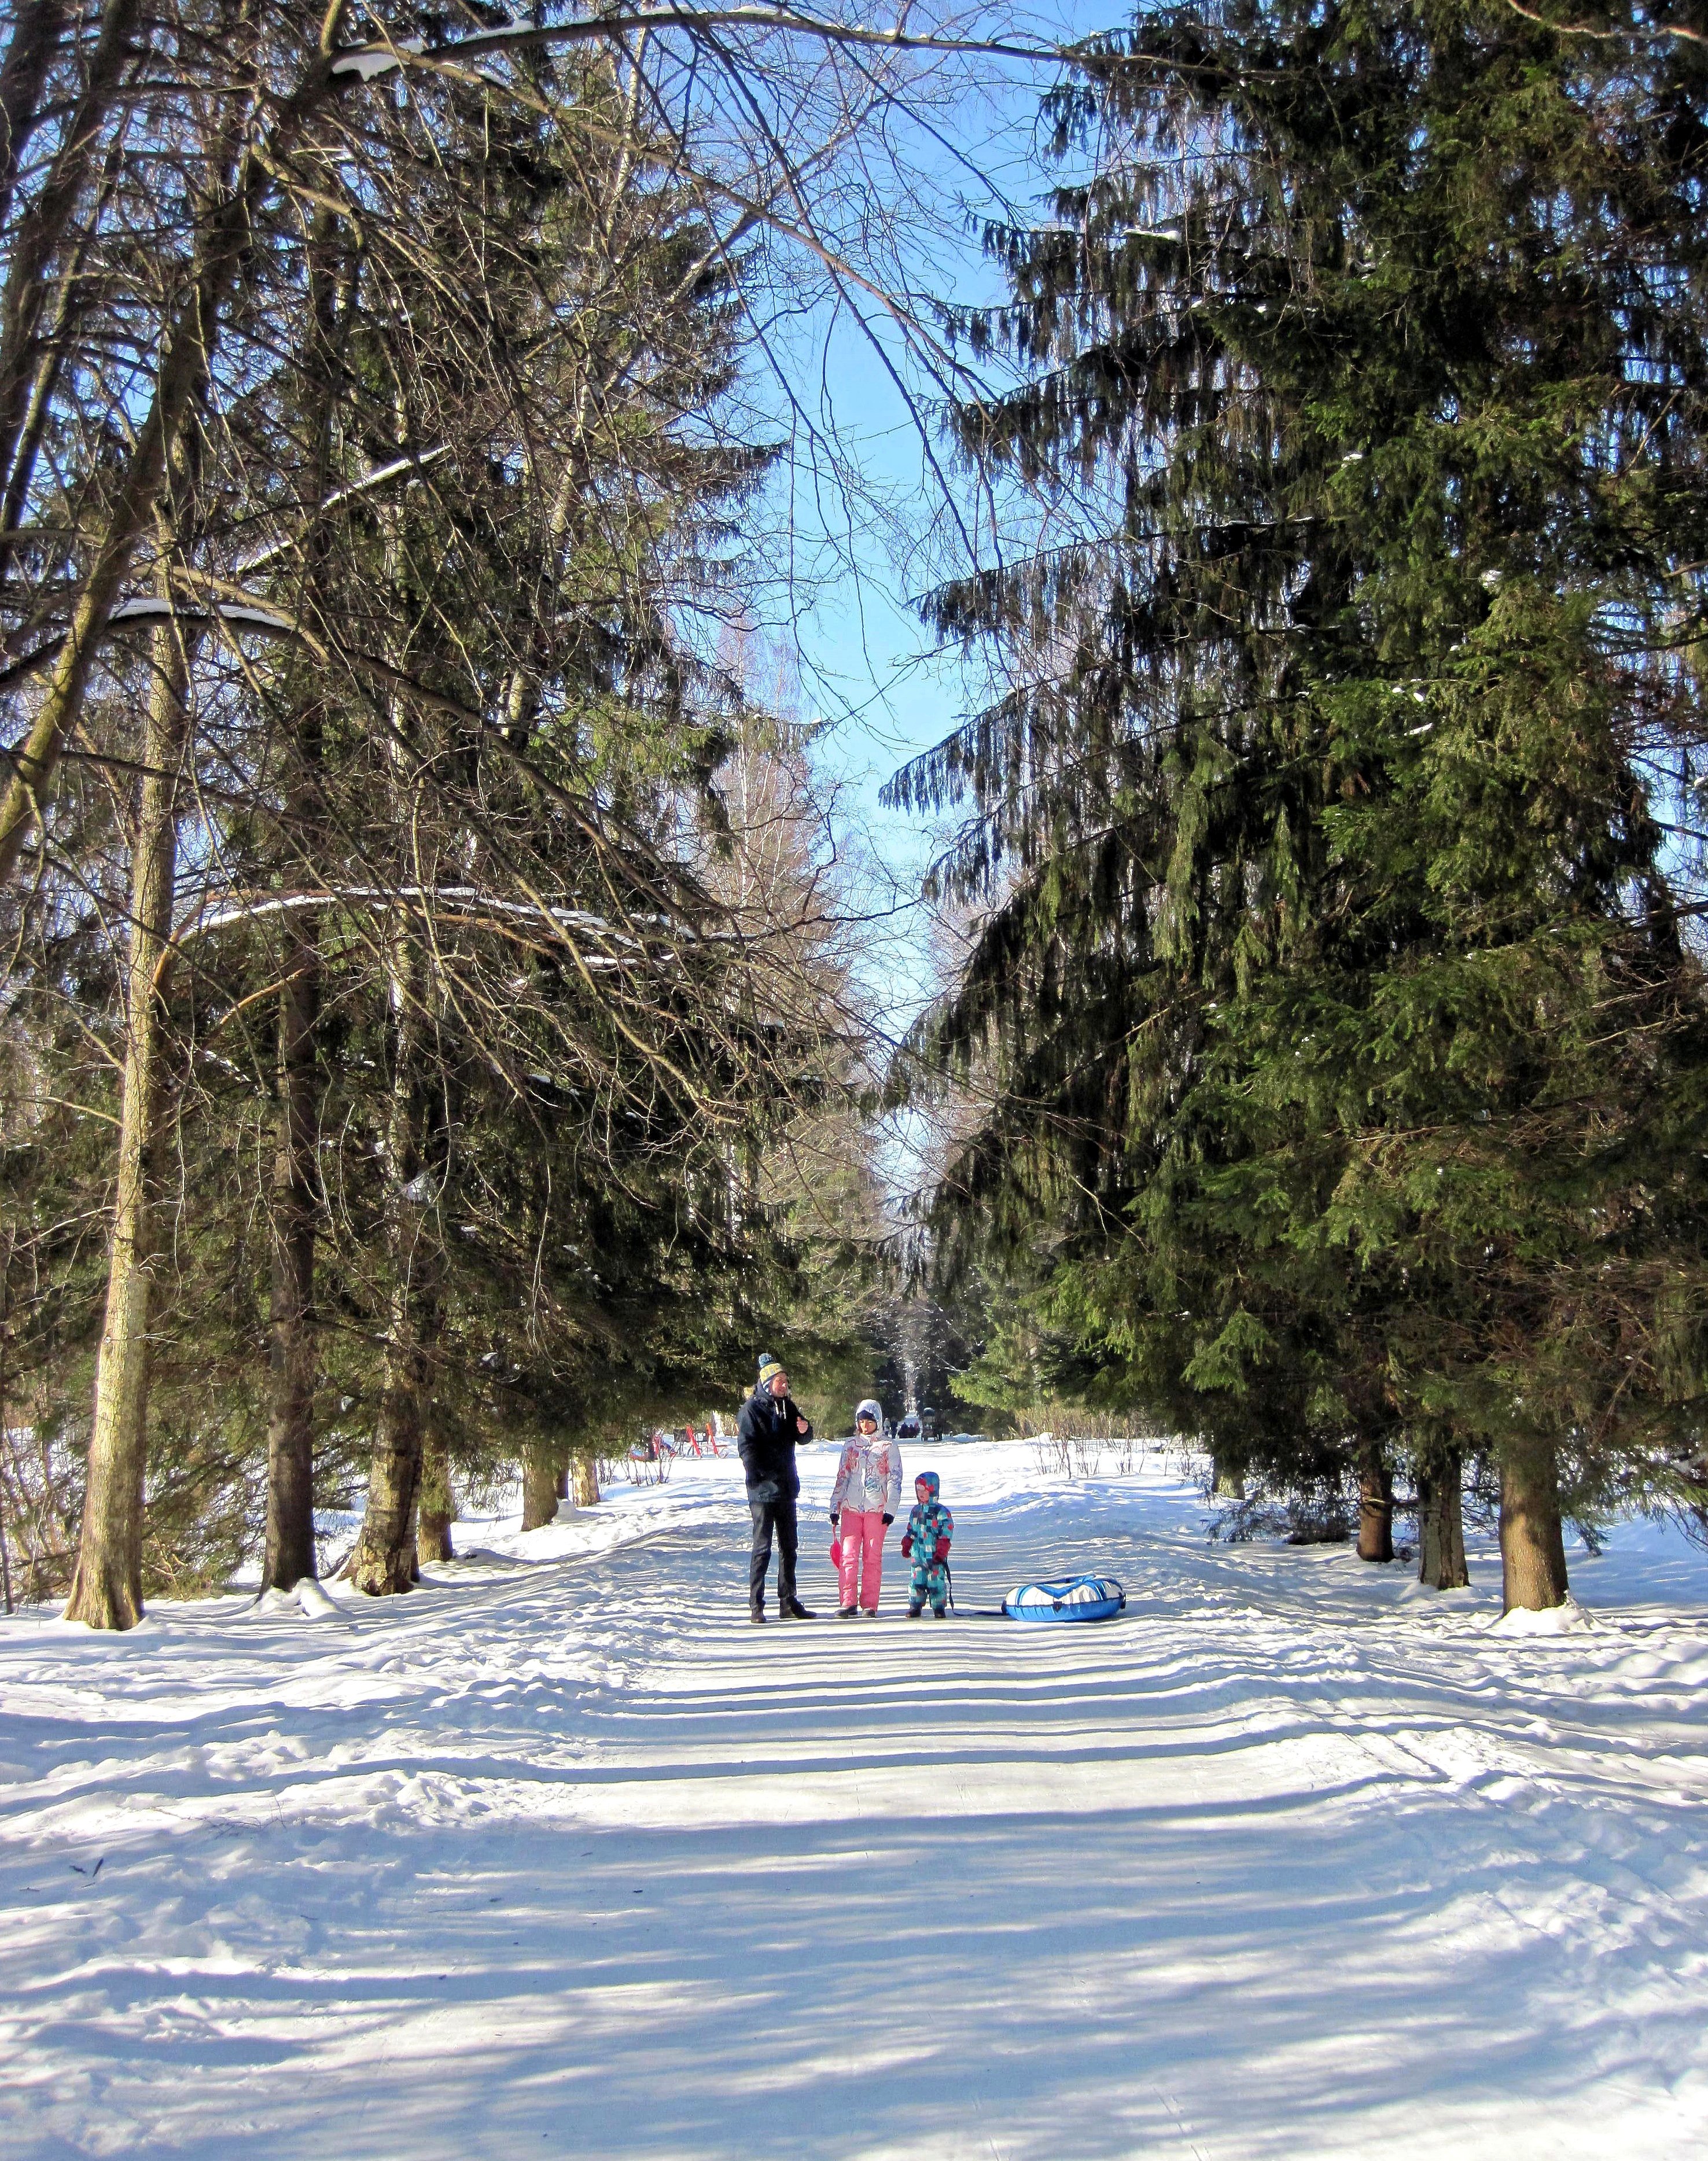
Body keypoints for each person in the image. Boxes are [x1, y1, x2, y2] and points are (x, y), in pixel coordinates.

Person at [737, 1352, 815, 1623]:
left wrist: (805, 1430)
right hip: (762, 1492)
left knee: (789, 1547)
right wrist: (759, 1474)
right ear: (768, 1383)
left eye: (785, 1380)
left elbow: (803, 1435)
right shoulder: (750, 1411)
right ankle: (756, 1605)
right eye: (779, 1380)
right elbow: (747, 1449)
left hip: (786, 1490)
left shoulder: (788, 1406)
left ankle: (788, 1602)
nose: (784, 1384)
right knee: (762, 1548)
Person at [828, 1400, 901, 1617]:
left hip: (876, 1510)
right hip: (851, 1508)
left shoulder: (888, 1447)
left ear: (878, 1421)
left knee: (872, 1556)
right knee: (848, 1555)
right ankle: (848, 1601)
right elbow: (843, 1476)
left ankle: (870, 1603)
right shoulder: (850, 1445)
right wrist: (836, 1506)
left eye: (870, 1421)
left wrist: (891, 1509)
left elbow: (894, 1479)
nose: (865, 1426)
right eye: (862, 1421)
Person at [900, 1469, 954, 1618]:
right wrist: (907, 1542)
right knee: (917, 1580)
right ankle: (915, 1605)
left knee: (935, 1581)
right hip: (918, 1554)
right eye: (918, 1490)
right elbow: (912, 1529)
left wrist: (943, 1548)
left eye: (924, 1490)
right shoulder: (916, 1511)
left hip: (935, 1555)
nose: (921, 1493)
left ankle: (938, 1607)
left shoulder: (942, 1512)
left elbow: (947, 1530)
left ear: (932, 1490)